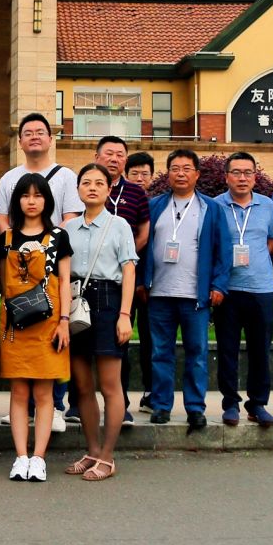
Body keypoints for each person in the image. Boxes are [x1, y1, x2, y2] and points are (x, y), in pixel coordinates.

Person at [140, 149, 232, 430]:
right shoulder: (154, 206)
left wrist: (218, 285)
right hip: (159, 294)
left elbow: (224, 250)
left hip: (195, 296)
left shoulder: (211, 208)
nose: (180, 173)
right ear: (168, 173)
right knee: (160, 352)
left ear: (197, 174)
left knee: (197, 353)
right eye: (175, 168)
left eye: (186, 168)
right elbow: (142, 247)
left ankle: (195, 407)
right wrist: (143, 282)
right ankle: (161, 405)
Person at [63, 163, 139, 482]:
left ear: (109, 190)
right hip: (76, 302)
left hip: (109, 302)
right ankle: (92, 450)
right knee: (82, 385)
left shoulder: (119, 225)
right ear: (78, 190)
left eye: (99, 183)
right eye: (86, 182)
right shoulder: (68, 228)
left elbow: (129, 271)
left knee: (110, 385)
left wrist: (125, 315)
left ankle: (108, 456)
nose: (92, 187)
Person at [0, 172, 71, 482]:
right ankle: (21, 457)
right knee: (18, 392)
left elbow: (65, 281)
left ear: (47, 201)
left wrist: (64, 322)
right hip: (15, 325)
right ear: (17, 201)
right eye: (25, 195)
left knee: (44, 393)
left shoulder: (58, 237)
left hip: (49, 324)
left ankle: (39, 458)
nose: (31, 201)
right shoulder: (6, 238)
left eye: (38, 195)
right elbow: (4, 282)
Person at [211, 152, 273, 428]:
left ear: (255, 176)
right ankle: (230, 403)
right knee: (227, 349)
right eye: (236, 172)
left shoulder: (268, 205)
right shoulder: (215, 206)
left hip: (261, 288)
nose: (242, 178)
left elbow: (272, 241)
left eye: (248, 172)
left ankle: (258, 404)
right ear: (226, 176)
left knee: (260, 349)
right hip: (227, 289)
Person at [94, 135, 150, 426]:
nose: (114, 159)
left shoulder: (136, 193)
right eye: (109, 153)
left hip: (124, 278)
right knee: (82, 343)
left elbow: (144, 232)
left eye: (119, 154)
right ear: (97, 157)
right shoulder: (88, 185)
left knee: (120, 343)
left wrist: (123, 255)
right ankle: (78, 404)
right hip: (90, 280)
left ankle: (121, 405)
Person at [0, 113, 82, 231]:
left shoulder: (67, 177)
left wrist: (48, 240)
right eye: (28, 134)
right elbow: (1, 219)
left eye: (40, 133)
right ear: (20, 142)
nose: (34, 137)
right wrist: (15, 240)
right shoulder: (7, 178)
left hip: (55, 242)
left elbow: (71, 218)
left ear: (50, 140)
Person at [124, 149, 157, 411]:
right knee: (120, 338)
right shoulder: (120, 203)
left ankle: (151, 391)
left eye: (144, 174)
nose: (139, 178)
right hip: (122, 278)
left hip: (150, 282)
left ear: (152, 177)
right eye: (134, 173)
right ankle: (119, 396)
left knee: (150, 339)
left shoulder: (158, 205)